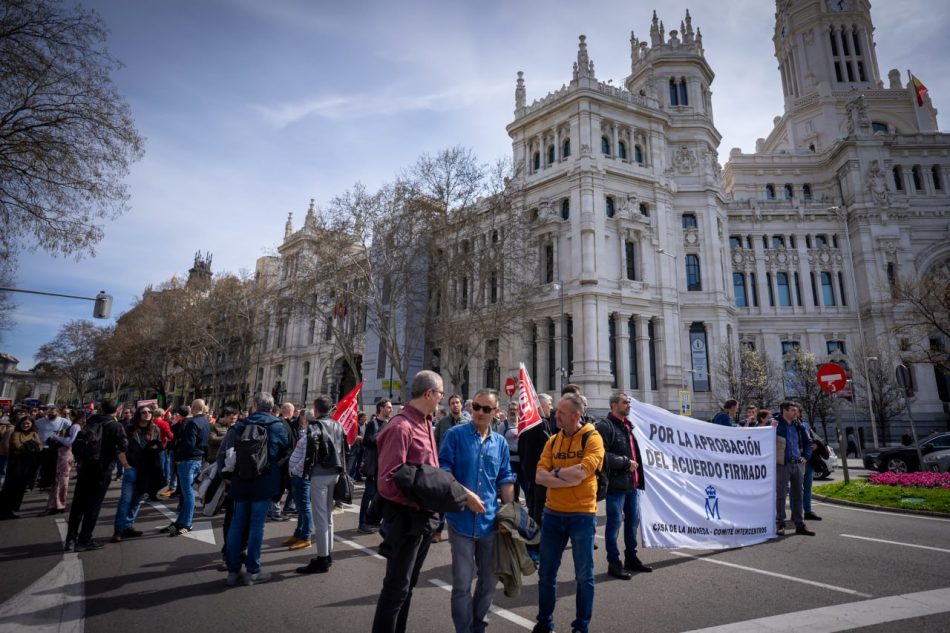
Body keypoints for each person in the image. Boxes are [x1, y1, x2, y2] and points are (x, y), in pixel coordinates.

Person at [372, 370, 480, 633]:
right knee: (396, 588)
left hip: (424, 519)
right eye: (441, 393)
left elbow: (429, 469)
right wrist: (423, 497)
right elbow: (388, 481)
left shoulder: (425, 422)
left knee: (408, 586)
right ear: (429, 393)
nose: (443, 399)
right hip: (407, 519)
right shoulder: (401, 426)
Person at [439, 388, 515, 633]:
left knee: (489, 582)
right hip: (460, 521)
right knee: (461, 584)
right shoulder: (454, 435)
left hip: (490, 523)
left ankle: (478, 624)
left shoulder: (500, 443)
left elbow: (505, 478)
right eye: (476, 407)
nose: (479, 412)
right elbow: (444, 471)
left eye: (486, 409)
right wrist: (466, 495)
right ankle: (464, 629)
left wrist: (510, 514)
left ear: (495, 412)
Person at [532, 393, 605, 633]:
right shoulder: (552, 441)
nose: (556, 415)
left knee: (584, 576)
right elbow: (539, 476)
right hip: (552, 514)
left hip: (582, 515)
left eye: (561, 412)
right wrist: (566, 477)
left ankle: (581, 626)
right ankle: (544, 623)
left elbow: (583, 473)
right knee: (546, 575)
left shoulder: (593, 438)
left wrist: (554, 476)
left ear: (576, 415)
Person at [224, 392, 290, 586]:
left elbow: (228, 452)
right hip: (264, 481)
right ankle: (253, 571)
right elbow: (284, 451)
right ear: (271, 407)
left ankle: (232, 570)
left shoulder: (240, 424)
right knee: (256, 526)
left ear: (254, 405)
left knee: (236, 525)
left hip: (241, 479)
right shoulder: (277, 425)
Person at [595, 392, 651, 581]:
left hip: (632, 485)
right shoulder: (605, 426)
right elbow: (600, 455)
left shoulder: (630, 427)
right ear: (613, 405)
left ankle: (631, 557)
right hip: (615, 486)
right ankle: (614, 562)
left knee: (632, 522)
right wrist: (625, 462)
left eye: (629, 403)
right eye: (625, 403)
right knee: (614, 525)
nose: (628, 405)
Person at [64, 400, 128, 551]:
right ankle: (85, 539)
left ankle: (70, 540)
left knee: (78, 504)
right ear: (116, 411)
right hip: (102, 468)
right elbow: (124, 445)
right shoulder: (115, 425)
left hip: (85, 466)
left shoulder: (90, 421)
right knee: (93, 505)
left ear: (101, 409)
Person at [294, 395, 348, 573]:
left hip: (320, 473)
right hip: (336, 473)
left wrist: (305, 471)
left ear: (316, 410)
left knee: (320, 517)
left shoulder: (315, 426)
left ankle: (323, 558)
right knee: (328, 515)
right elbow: (345, 449)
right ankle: (328, 554)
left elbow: (311, 451)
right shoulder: (338, 425)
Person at [112, 405, 164, 542]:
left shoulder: (155, 429)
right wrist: (126, 465)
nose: (147, 414)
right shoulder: (129, 429)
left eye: (149, 412)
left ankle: (128, 526)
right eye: (144, 412)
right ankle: (118, 530)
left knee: (137, 500)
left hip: (146, 470)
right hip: (132, 468)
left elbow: (159, 446)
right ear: (138, 415)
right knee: (125, 500)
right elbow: (119, 448)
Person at [518, 392, 556, 563]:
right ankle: (535, 547)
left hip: (532, 474)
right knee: (538, 512)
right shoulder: (540, 425)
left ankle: (532, 545)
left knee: (534, 509)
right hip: (539, 475)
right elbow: (550, 449)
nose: (552, 407)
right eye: (549, 403)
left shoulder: (530, 423)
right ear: (541, 405)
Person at [165, 399, 211, 536]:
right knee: (187, 493)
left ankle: (187, 524)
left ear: (193, 408)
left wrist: (179, 457)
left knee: (188, 494)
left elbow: (189, 444)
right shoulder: (206, 423)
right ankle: (180, 521)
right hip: (197, 459)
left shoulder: (192, 422)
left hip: (188, 460)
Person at [775, 401, 815, 536]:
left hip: (797, 464)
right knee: (781, 495)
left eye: (796, 410)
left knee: (798, 495)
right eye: (792, 410)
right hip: (782, 465)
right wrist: (769, 425)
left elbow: (809, 442)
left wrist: (805, 456)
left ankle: (800, 524)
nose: (795, 412)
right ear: (784, 411)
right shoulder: (776, 424)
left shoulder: (799, 425)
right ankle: (780, 523)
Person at [432, 393, 466, 543]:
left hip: (463, 466)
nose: (455, 405)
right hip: (445, 467)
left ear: (462, 405)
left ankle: (460, 532)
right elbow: (434, 442)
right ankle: (438, 532)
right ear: (449, 405)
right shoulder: (442, 423)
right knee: (443, 501)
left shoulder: (468, 422)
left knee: (462, 498)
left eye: (457, 403)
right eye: (452, 403)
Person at [358, 398, 393, 533]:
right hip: (374, 466)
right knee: (368, 495)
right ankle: (362, 523)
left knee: (381, 496)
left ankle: (375, 521)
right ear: (381, 408)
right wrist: (384, 433)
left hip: (385, 466)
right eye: (389, 407)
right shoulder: (373, 424)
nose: (391, 410)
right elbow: (367, 442)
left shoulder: (388, 423)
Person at [0, 415, 42, 519]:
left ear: (32, 424)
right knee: (10, 487)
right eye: (24, 423)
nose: (26, 425)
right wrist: (32, 445)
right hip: (16, 464)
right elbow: (18, 446)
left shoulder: (34, 434)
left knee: (20, 488)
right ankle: (4, 510)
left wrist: (30, 446)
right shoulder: (16, 433)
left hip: (28, 464)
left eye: (28, 423)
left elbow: (40, 447)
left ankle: (13, 509)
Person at [44, 410, 83, 514]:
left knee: (62, 479)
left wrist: (57, 437)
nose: (67, 416)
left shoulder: (76, 427)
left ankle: (59, 504)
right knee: (59, 479)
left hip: (66, 454)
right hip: (63, 453)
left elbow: (70, 441)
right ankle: (56, 503)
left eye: (69, 414)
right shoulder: (73, 425)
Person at [35, 407, 71, 489]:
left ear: (58, 413)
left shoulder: (62, 420)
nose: (51, 414)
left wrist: (67, 414)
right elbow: (33, 426)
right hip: (40, 447)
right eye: (49, 413)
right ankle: (34, 481)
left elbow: (70, 424)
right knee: (38, 466)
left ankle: (46, 482)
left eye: (53, 413)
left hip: (52, 447)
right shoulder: (40, 421)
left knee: (49, 466)